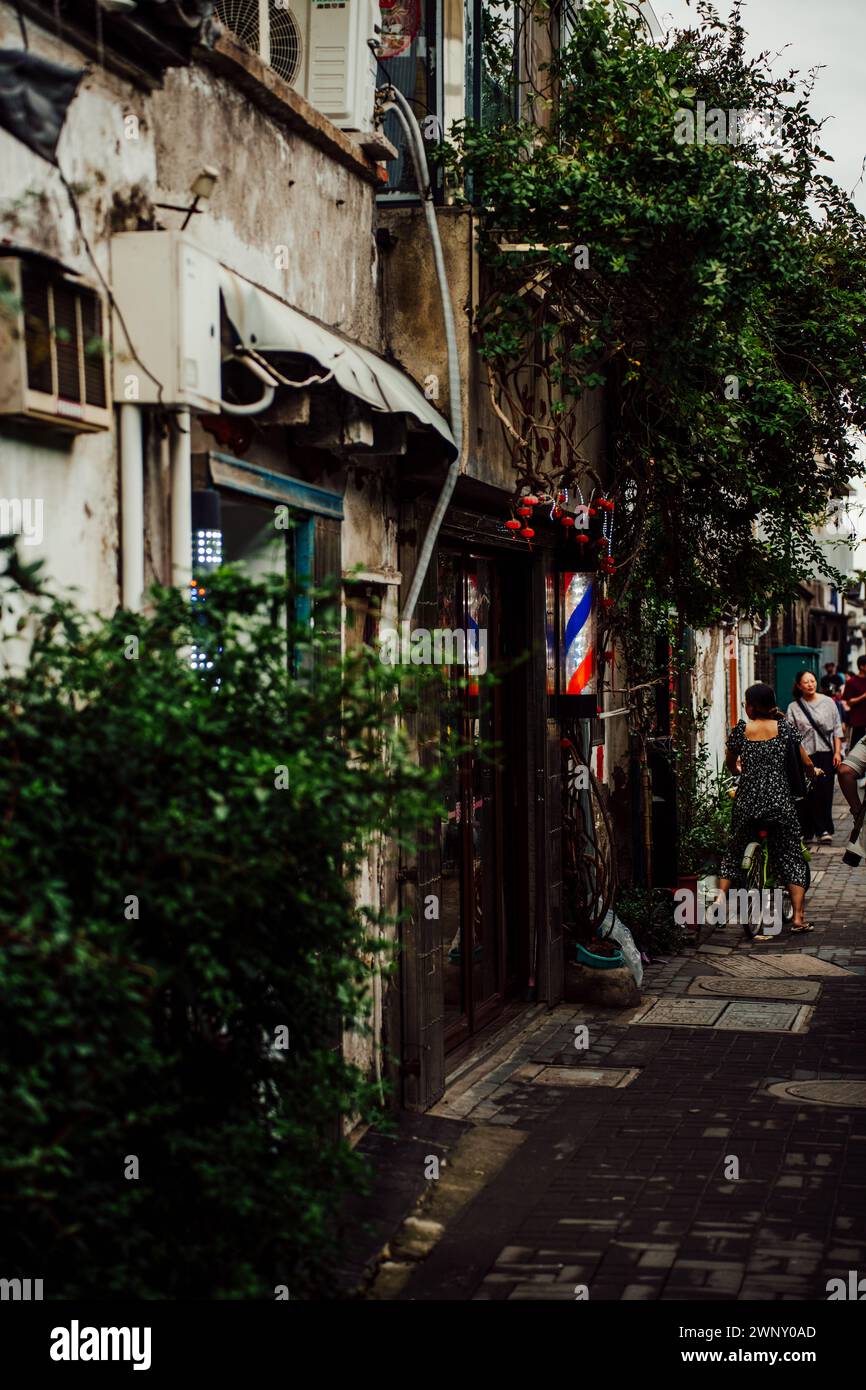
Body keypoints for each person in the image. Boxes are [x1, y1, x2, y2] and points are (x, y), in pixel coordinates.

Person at [717, 682, 823, 936]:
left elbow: (730, 762)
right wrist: (814, 772)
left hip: (747, 802)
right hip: (778, 803)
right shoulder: (785, 729)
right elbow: (806, 761)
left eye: (746, 702)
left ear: (752, 706)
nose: (745, 706)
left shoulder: (742, 729)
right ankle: (798, 917)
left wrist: (738, 772)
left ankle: (720, 900)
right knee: (790, 856)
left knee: (734, 850)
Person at [786, 670, 843, 842]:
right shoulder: (793, 707)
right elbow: (790, 735)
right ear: (798, 685)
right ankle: (807, 831)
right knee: (806, 793)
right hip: (805, 755)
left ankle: (824, 830)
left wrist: (837, 752)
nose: (810, 684)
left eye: (812, 680)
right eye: (806, 682)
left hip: (826, 753)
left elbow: (837, 729)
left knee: (825, 792)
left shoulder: (828, 702)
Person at [842, 655, 866, 752]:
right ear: (862, 666)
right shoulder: (851, 682)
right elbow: (849, 702)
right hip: (858, 721)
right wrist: (863, 696)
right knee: (856, 749)